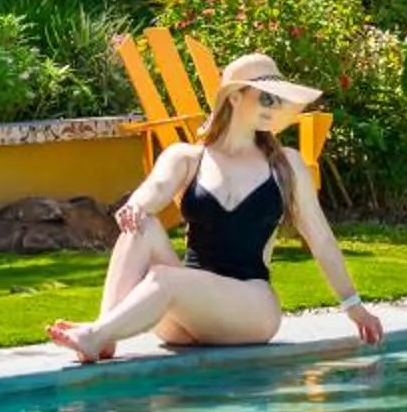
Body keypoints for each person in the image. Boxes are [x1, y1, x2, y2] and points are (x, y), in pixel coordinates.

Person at [45, 51, 385, 363]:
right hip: (186, 314)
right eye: (266, 96)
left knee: (164, 278)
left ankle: (96, 334)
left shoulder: (285, 165)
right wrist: (137, 205)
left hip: (250, 310)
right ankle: (105, 334)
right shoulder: (187, 157)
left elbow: (321, 239)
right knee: (142, 225)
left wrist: (353, 306)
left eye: (278, 99)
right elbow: (157, 187)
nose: (274, 105)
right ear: (235, 97)